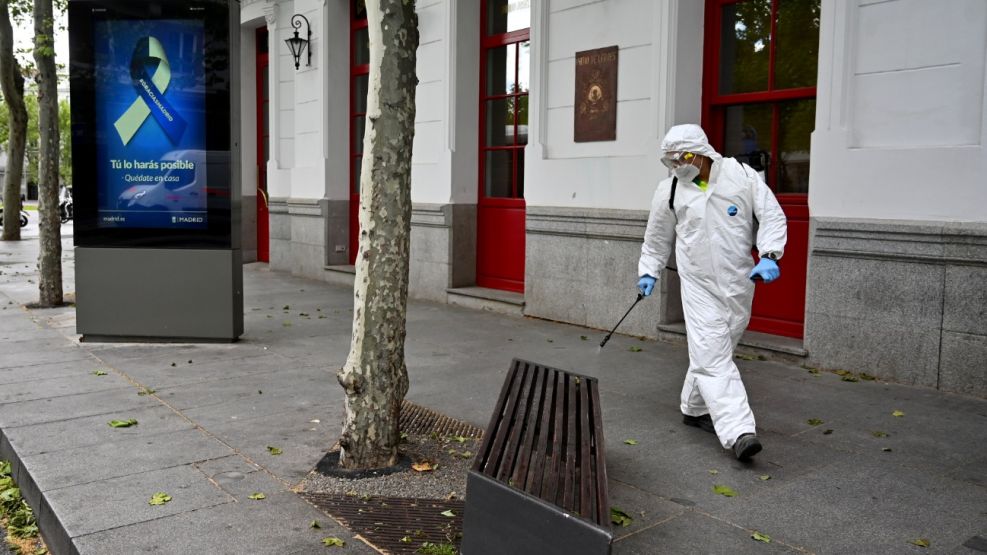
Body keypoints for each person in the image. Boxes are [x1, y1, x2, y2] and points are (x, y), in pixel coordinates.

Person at [637, 124, 787, 461]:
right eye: (670, 162)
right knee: (712, 355)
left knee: (716, 351)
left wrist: (770, 254)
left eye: (680, 159)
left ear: (698, 152)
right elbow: (657, 238)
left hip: (738, 283)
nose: (676, 167)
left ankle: (693, 407)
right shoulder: (670, 191)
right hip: (698, 285)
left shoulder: (741, 177)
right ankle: (738, 432)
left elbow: (772, 217)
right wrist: (649, 270)